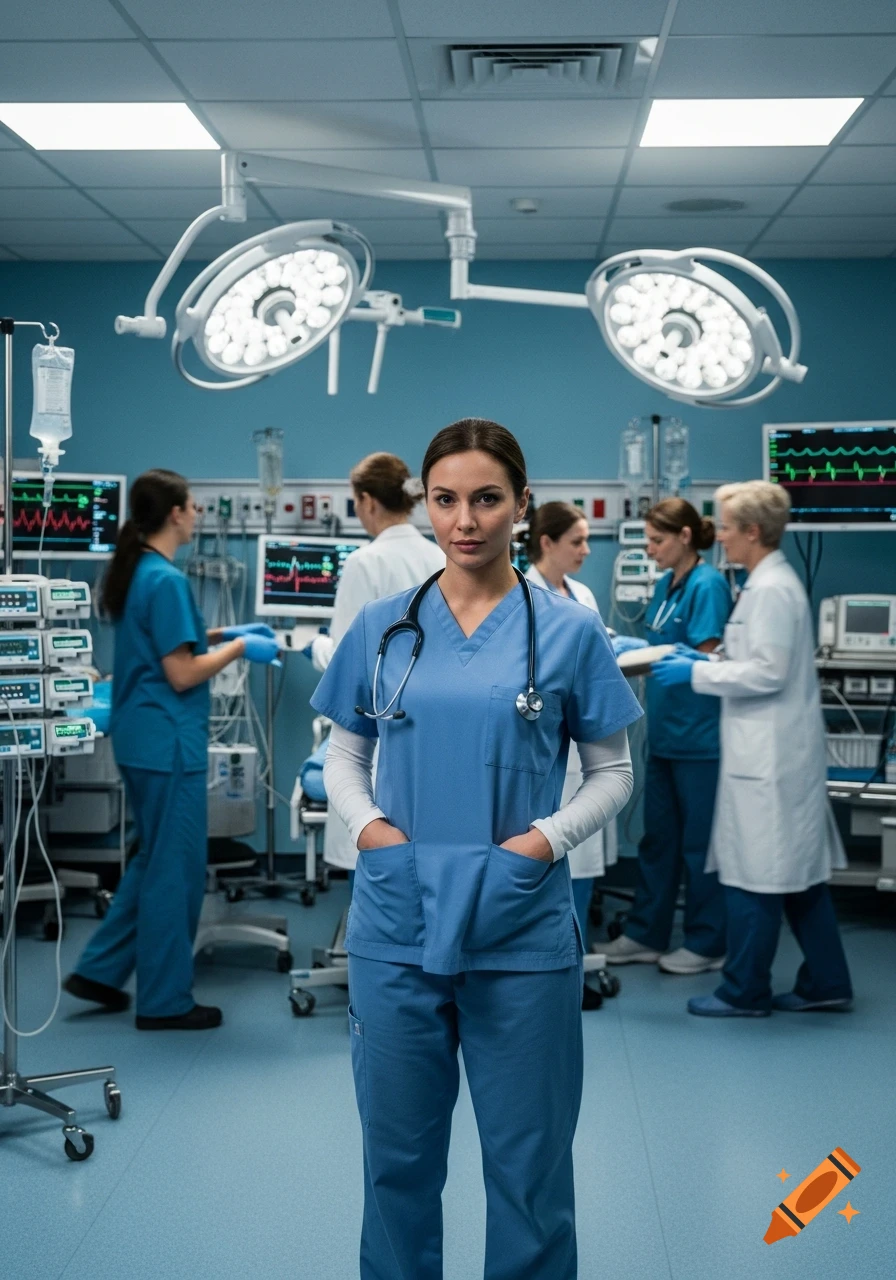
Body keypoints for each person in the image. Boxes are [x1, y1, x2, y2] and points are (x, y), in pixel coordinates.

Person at [312, 419, 642, 1279]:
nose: (465, 521)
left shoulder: (568, 631)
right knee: (397, 1164)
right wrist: (373, 832)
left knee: (530, 1170)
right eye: (446, 499)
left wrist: (541, 843)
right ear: (424, 503)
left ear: (521, 505)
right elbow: (343, 756)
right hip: (398, 916)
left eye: (487, 499)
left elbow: (612, 773)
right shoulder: (384, 627)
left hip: (518, 922)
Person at [64, 469, 280, 1030]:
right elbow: (181, 673)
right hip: (167, 744)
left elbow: (170, 643)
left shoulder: (142, 571)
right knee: (175, 871)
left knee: (151, 859)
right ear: (176, 513)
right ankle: (164, 1001)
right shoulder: (164, 580)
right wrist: (240, 647)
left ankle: (99, 970)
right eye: (193, 506)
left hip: (141, 739)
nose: (198, 515)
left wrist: (225, 633)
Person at [653, 481, 853, 1017]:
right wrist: (698, 661)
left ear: (753, 531)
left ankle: (743, 991)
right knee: (798, 877)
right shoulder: (761, 584)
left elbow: (767, 672)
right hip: (770, 755)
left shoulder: (771, 591)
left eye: (725, 526)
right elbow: (750, 659)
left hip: (770, 762)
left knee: (756, 875)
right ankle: (828, 981)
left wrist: (695, 673)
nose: (718, 535)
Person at [602, 498, 732, 976]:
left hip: (700, 739)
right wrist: (631, 647)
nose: (651, 550)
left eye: (657, 541)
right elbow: (661, 646)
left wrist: (660, 654)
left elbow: (710, 660)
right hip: (666, 735)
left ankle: (707, 941)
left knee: (700, 845)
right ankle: (645, 934)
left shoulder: (708, 585)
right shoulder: (666, 584)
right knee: (659, 840)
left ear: (684, 536)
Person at [309, 452, 444, 878]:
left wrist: (316, 646)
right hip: (435, 728)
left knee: (376, 864)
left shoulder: (365, 562)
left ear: (367, 501)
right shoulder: (441, 557)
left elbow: (347, 665)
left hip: (380, 728)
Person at [525, 500, 615, 1009]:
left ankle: (574, 969)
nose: (586, 550)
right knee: (549, 859)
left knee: (583, 858)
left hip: (585, 739)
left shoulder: (581, 595)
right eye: (577, 541)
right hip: (546, 745)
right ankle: (553, 972)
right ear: (547, 543)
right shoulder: (522, 594)